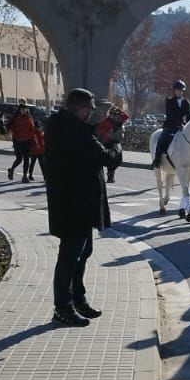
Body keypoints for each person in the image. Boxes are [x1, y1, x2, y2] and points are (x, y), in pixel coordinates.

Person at [43, 87, 117, 327]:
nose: (91, 113)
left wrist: (96, 133)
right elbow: (107, 157)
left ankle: (77, 299)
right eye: (89, 109)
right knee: (69, 256)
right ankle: (62, 307)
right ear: (79, 107)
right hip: (74, 204)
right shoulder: (72, 131)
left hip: (75, 203)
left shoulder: (64, 126)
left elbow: (86, 143)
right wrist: (114, 143)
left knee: (82, 253)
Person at [151, 80, 190, 170]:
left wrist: (187, 125)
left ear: (182, 91)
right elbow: (170, 115)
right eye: (177, 90)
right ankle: (157, 160)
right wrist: (180, 124)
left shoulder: (186, 102)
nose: (179, 92)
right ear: (174, 91)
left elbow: (188, 116)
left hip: (182, 127)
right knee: (162, 138)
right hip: (170, 125)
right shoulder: (169, 101)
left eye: (180, 90)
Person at [96, 104, 128, 183]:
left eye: (114, 114)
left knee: (117, 160)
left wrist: (117, 109)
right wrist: (106, 133)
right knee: (109, 159)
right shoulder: (106, 121)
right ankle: (109, 176)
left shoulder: (119, 122)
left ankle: (111, 174)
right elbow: (98, 129)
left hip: (116, 143)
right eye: (111, 114)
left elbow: (126, 116)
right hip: (107, 142)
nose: (113, 116)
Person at [8, 100, 38, 181]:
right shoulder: (16, 118)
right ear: (19, 110)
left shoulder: (29, 119)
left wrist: (35, 142)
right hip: (17, 141)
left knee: (27, 159)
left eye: (25, 109)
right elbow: (10, 127)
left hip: (27, 141)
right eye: (22, 109)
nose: (24, 111)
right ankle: (11, 169)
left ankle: (24, 176)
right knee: (19, 159)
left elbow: (32, 131)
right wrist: (13, 133)